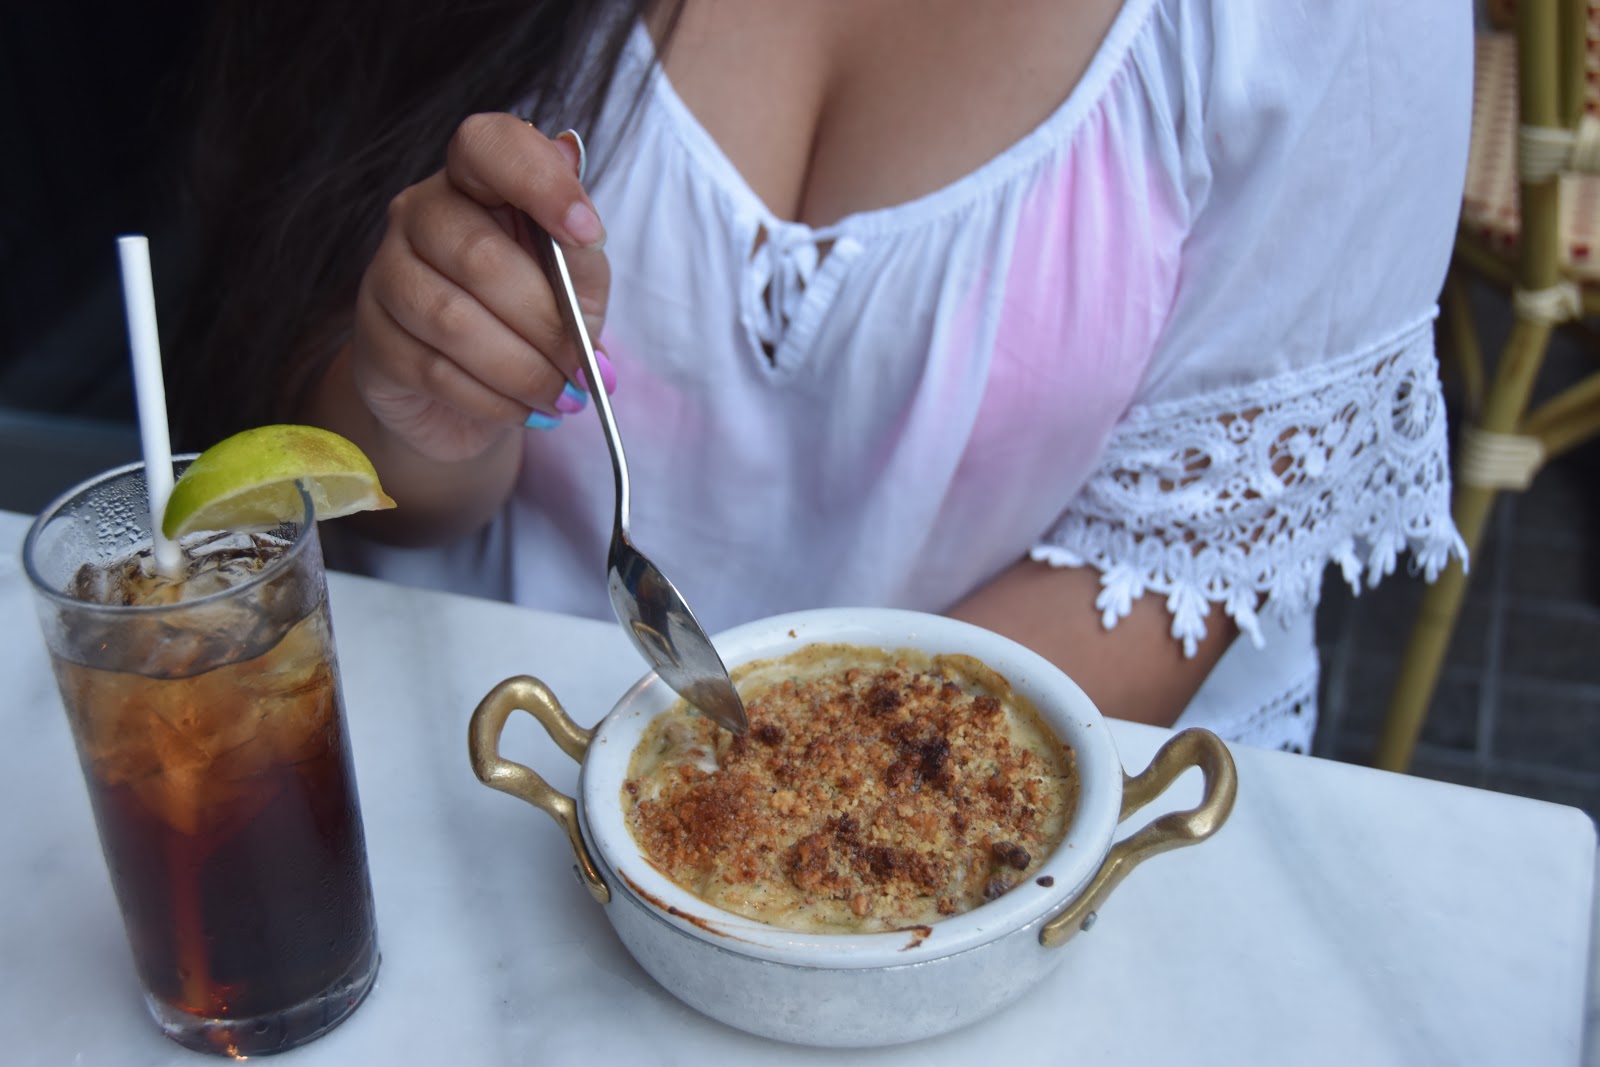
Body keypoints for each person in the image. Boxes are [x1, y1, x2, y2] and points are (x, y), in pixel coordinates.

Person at [173, 0, 1473, 753]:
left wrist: (731, 811)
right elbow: (381, 495)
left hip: (1002, 812)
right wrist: (425, 398)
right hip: (489, 751)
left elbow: (1167, 578)